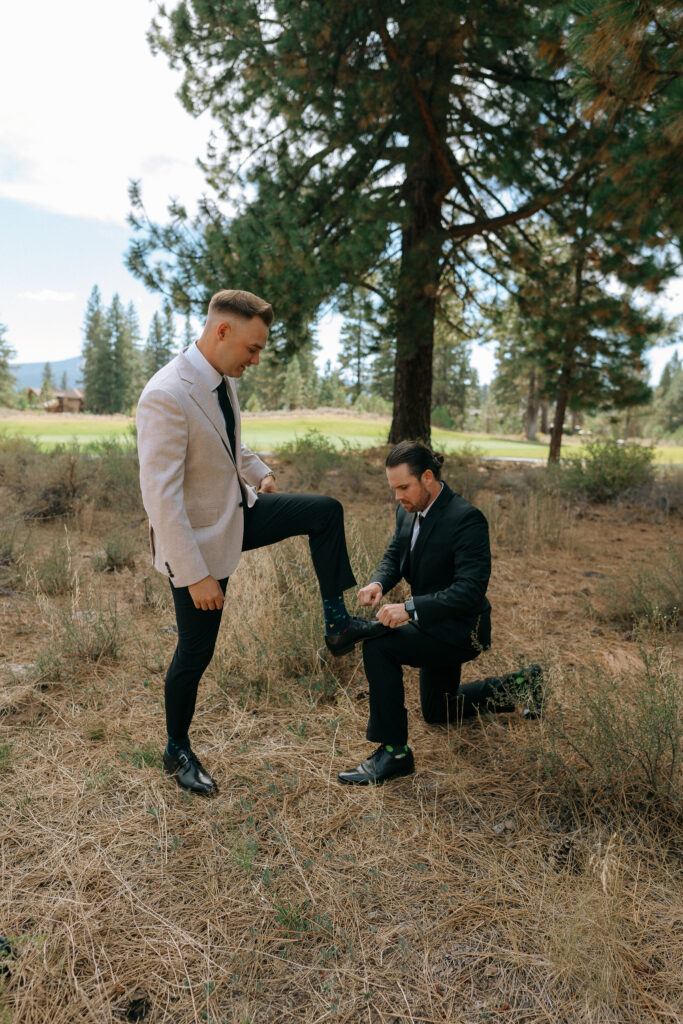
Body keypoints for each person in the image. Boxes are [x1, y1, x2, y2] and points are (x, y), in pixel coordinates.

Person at [136, 289, 385, 796]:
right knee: (195, 653)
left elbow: (227, 441)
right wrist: (197, 574)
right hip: (198, 542)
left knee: (323, 512)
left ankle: (337, 623)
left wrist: (258, 471)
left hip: (238, 512)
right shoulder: (165, 393)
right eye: (252, 348)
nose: (256, 359)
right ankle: (176, 748)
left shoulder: (220, 377)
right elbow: (161, 500)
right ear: (222, 331)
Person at [337, 441, 542, 786]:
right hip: (430, 624)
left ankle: (394, 753)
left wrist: (409, 608)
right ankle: (522, 684)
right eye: (393, 489)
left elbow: (469, 590)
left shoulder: (466, 519)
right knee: (438, 712)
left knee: (379, 646)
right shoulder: (407, 510)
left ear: (428, 477)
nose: (398, 496)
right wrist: (378, 583)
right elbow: (395, 554)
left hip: (460, 629)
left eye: (404, 487)